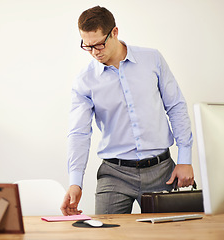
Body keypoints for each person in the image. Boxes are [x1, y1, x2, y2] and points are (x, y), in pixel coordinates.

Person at [60, 6, 194, 215]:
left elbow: (175, 106)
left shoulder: (152, 59)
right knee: (105, 234)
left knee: (170, 235)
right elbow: (79, 133)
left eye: (99, 44)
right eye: (88, 46)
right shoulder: (84, 80)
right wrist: (75, 182)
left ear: (114, 32)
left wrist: (185, 159)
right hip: (114, 175)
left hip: (161, 172)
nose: (95, 52)